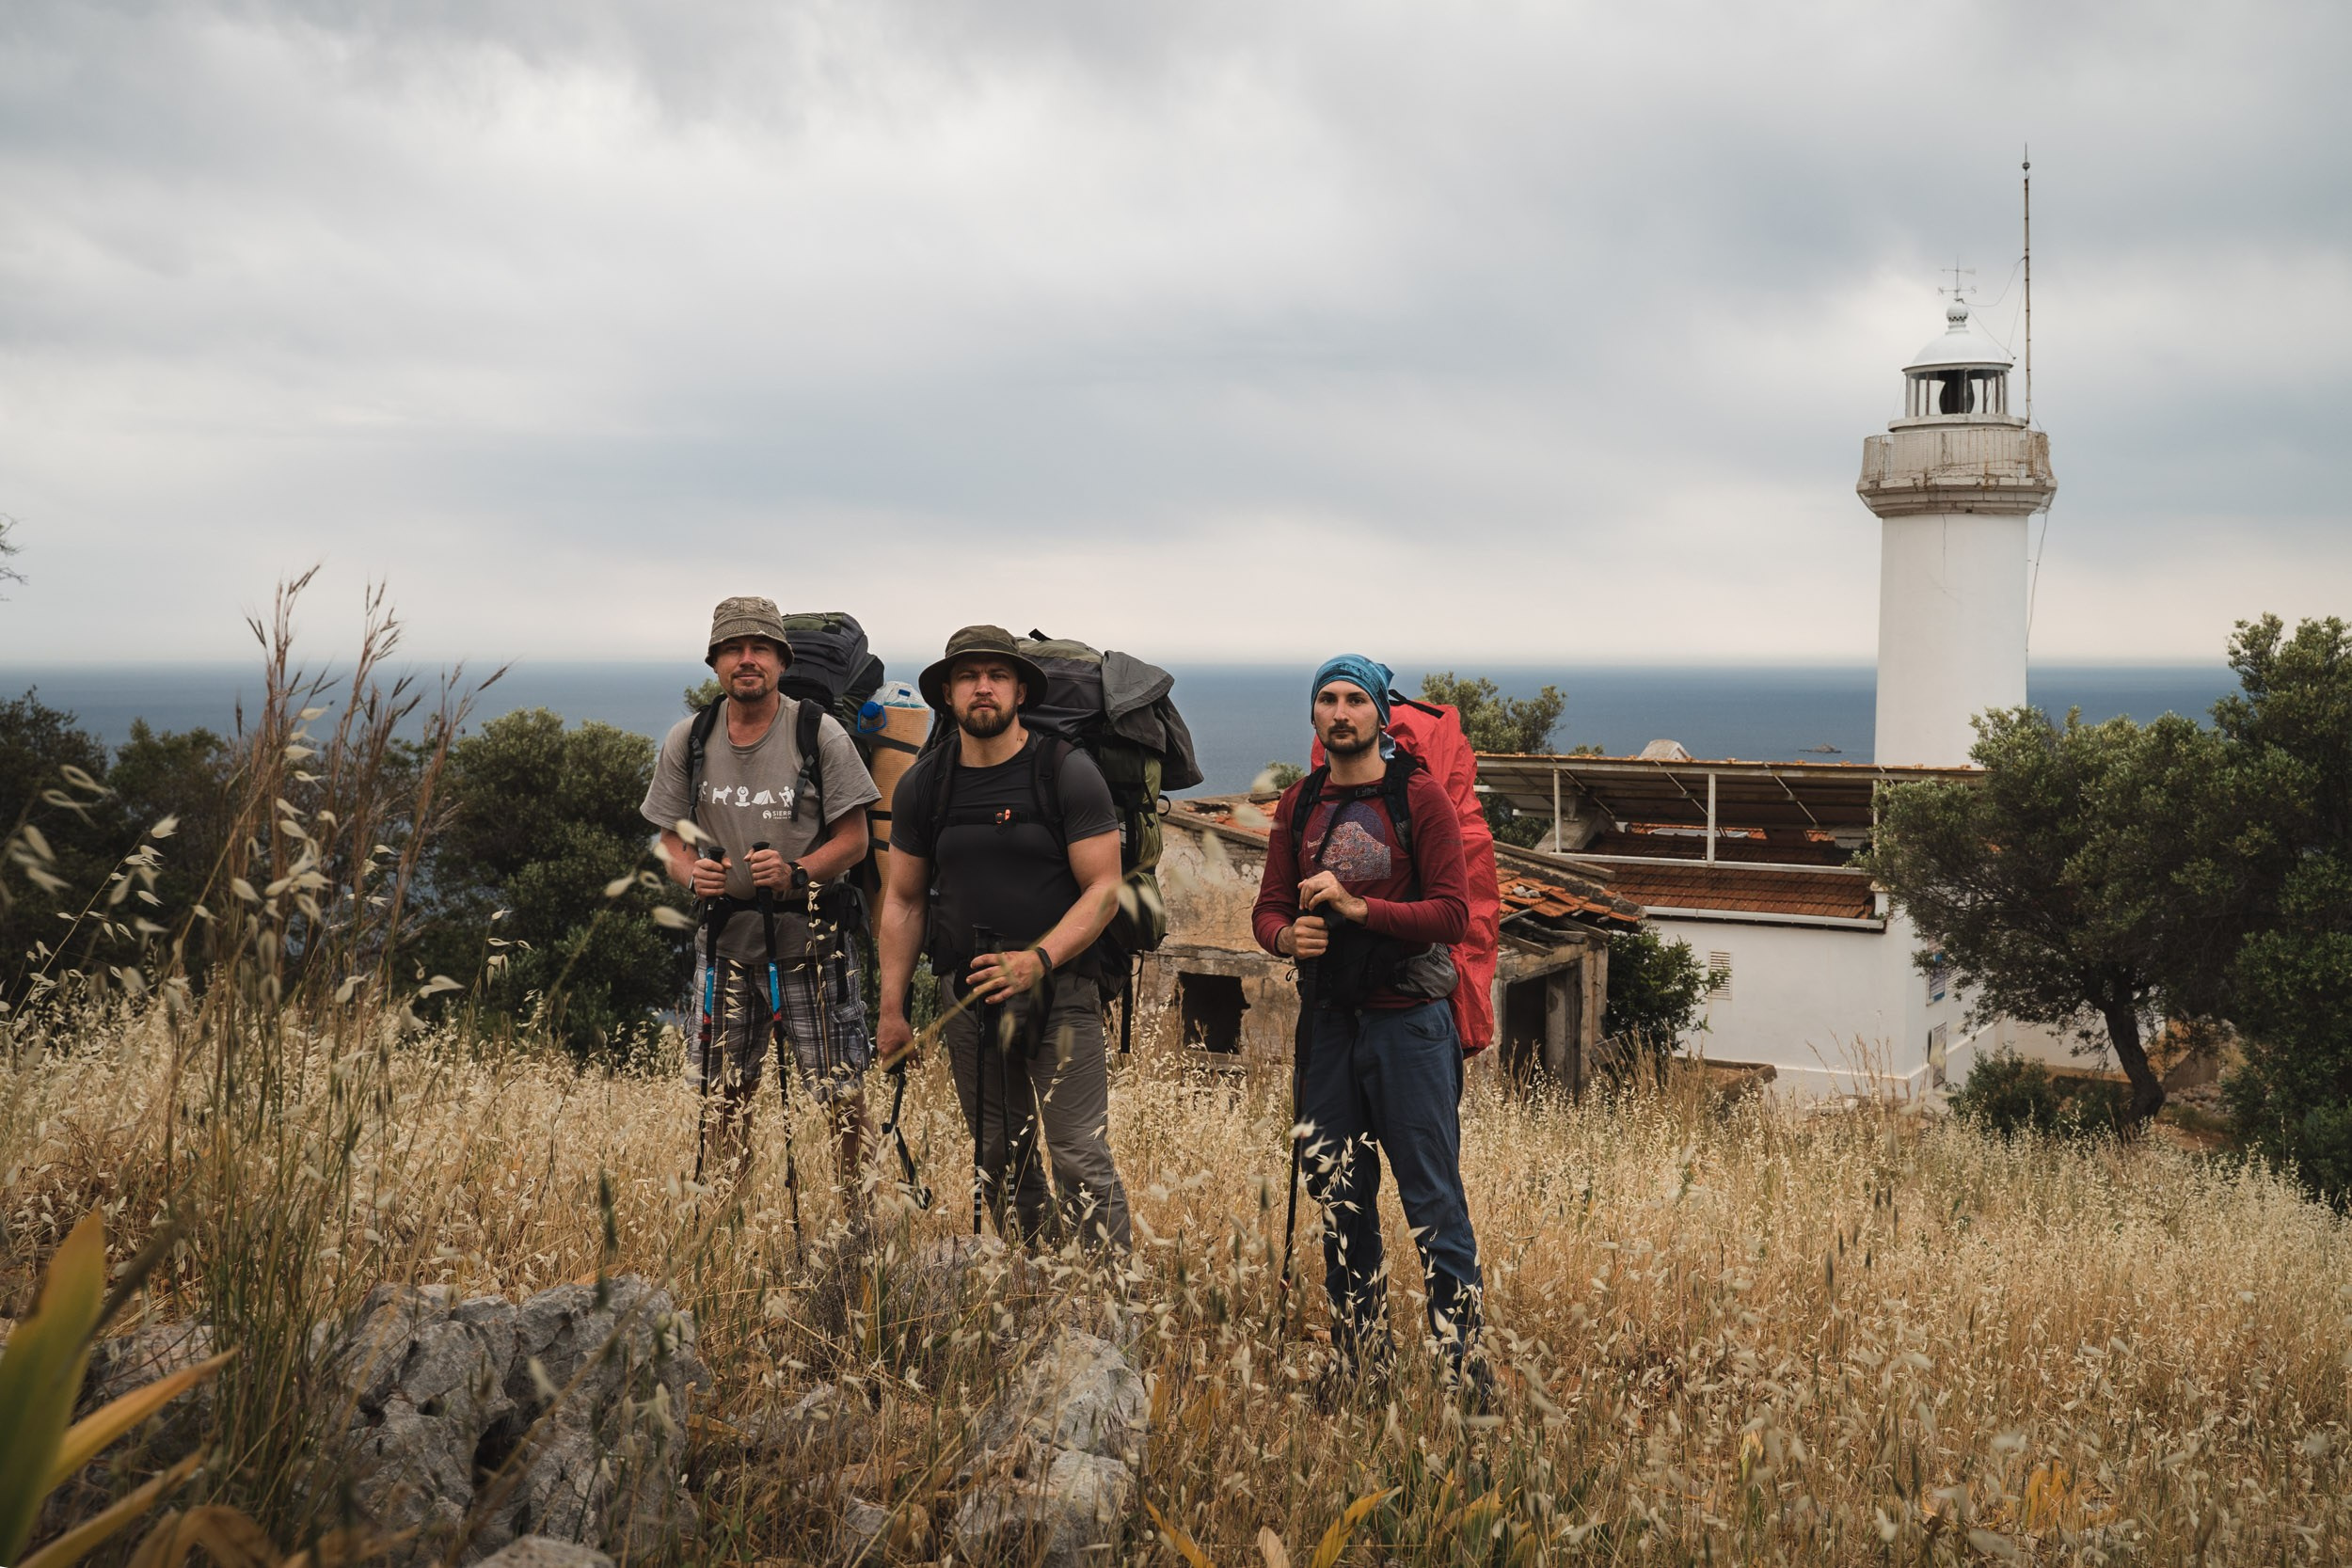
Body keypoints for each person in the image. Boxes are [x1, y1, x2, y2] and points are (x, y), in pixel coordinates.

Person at [1252, 654, 1486, 1397]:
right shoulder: (1299, 803)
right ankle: (1360, 1365)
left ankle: (1464, 1372)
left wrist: (1359, 910)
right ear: (1315, 718)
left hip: (1409, 1025)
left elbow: (1453, 913)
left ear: (1381, 715)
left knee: (1432, 1200)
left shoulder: (1419, 799)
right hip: (1329, 1024)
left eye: (1356, 698)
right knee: (1340, 1196)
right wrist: (1288, 938)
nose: (1341, 710)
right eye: (1327, 698)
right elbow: (1267, 910)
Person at [874, 625, 1133, 1252]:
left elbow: (1104, 888)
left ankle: (1111, 1308)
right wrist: (892, 1009)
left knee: (1078, 1154)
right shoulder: (925, 784)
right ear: (948, 694)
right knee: (999, 1155)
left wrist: (1039, 959)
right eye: (968, 675)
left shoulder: (1064, 772)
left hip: (1062, 990)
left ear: (1020, 689)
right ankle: (1033, 1287)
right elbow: (904, 899)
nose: (982, 687)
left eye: (996, 675)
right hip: (967, 998)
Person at [642, 595, 882, 1186]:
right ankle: (730, 1231)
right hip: (725, 943)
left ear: (781, 660)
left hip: (812, 943)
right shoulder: (690, 738)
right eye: (733, 649)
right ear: (716, 662)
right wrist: (689, 872)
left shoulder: (817, 734)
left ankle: (862, 1226)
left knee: (840, 1097)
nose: (747, 660)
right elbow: (668, 841)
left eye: (760, 649)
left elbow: (855, 840)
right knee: (722, 1098)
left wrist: (799, 872)